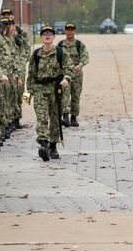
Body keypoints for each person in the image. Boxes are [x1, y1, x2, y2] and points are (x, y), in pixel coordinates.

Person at [27, 25, 73, 161]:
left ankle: (53, 145)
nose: (47, 35)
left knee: (55, 119)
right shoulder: (36, 55)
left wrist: (66, 79)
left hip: (56, 90)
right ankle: (44, 144)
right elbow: (31, 75)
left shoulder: (61, 53)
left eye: (50, 34)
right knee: (41, 118)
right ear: (41, 37)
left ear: (54, 37)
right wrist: (28, 94)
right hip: (40, 90)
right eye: (44, 33)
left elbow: (69, 68)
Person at [59, 23, 89, 127]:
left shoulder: (79, 45)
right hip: (65, 74)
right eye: (68, 29)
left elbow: (85, 57)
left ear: (75, 31)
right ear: (65, 31)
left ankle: (74, 118)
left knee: (76, 96)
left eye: (72, 29)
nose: (69, 31)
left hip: (76, 74)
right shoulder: (60, 45)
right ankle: (65, 116)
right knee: (65, 95)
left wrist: (80, 65)